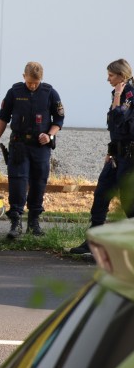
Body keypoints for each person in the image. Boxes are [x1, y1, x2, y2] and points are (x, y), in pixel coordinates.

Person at [0, 62, 64, 239]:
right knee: (18, 181)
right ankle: (16, 221)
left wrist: (49, 135)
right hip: (19, 145)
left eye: (36, 83)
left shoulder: (49, 93)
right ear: (23, 76)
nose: (32, 85)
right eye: (30, 82)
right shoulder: (14, 92)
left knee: (39, 181)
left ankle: (34, 221)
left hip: (41, 147)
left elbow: (59, 119)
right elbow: (2, 118)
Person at [71, 59, 134, 255]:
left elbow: (118, 117)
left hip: (129, 157)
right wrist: (110, 150)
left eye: (111, 75)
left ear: (122, 76)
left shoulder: (128, 93)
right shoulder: (120, 92)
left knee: (127, 200)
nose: (107, 79)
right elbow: (116, 129)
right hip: (117, 154)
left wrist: (117, 95)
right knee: (101, 193)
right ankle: (93, 241)